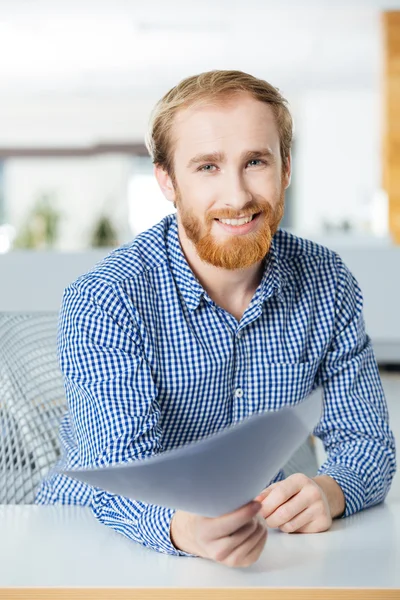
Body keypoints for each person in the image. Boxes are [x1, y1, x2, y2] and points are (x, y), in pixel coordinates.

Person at [36, 70, 396, 568]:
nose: (237, 195)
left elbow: (367, 441)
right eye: (207, 166)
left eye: (255, 161)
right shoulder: (107, 298)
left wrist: (330, 492)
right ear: (167, 180)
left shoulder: (324, 281)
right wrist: (185, 527)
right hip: (98, 546)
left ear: (286, 167)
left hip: (260, 545)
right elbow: (119, 474)